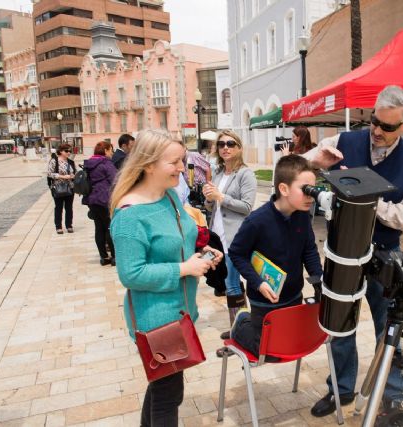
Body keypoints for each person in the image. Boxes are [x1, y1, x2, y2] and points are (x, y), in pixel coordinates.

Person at [306, 85, 403, 418]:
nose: (376, 131)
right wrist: (313, 161)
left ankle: (391, 395)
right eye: (374, 121)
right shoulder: (343, 143)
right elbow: (295, 168)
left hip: (384, 254)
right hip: (342, 254)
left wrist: (368, 201)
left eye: (387, 127)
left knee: (390, 326)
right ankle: (340, 389)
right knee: (339, 325)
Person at [109, 129, 222, 426]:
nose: (182, 168)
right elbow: (131, 274)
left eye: (182, 160)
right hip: (156, 320)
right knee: (168, 396)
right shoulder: (130, 216)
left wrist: (201, 249)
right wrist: (184, 269)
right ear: (148, 165)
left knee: (163, 388)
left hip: (180, 311)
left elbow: (181, 236)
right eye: (174, 162)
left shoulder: (169, 196)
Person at [228, 154, 322, 355]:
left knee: (288, 343)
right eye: (305, 189)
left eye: (313, 189)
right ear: (284, 189)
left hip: (293, 295)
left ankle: (248, 326)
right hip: (264, 299)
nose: (311, 195)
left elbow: (309, 250)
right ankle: (240, 325)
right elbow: (236, 253)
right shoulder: (257, 221)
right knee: (267, 349)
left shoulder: (303, 216)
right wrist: (258, 283)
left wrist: (319, 281)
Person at [203, 130, 257, 338]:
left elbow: (246, 206)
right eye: (221, 144)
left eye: (231, 143)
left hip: (235, 238)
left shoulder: (245, 173)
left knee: (232, 283)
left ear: (239, 148)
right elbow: (212, 207)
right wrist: (209, 198)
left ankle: (239, 329)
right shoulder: (218, 173)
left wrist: (221, 196)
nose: (225, 147)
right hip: (216, 237)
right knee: (227, 282)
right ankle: (241, 324)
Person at [83, 141, 118, 266]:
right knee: (109, 227)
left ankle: (104, 257)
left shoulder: (89, 163)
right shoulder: (105, 163)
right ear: (106, 150)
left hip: (92, 199)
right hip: (105, 199)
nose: (112, 153)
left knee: (99, 228)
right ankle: (114, 257)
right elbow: (115, 180)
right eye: (111, 150)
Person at [47, 143, 77, 234]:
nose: (68, 152)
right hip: (57, 188)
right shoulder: (54, 161)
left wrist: (73, 176)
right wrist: (63, 177)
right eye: (66, 151)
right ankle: (58, 227)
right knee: (58, 207)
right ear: (60, 151)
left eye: (69, 151)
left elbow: (74, 173)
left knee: (69, 207)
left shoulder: (71, 162)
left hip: (70, 188)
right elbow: (49, 174)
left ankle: (69, 225)